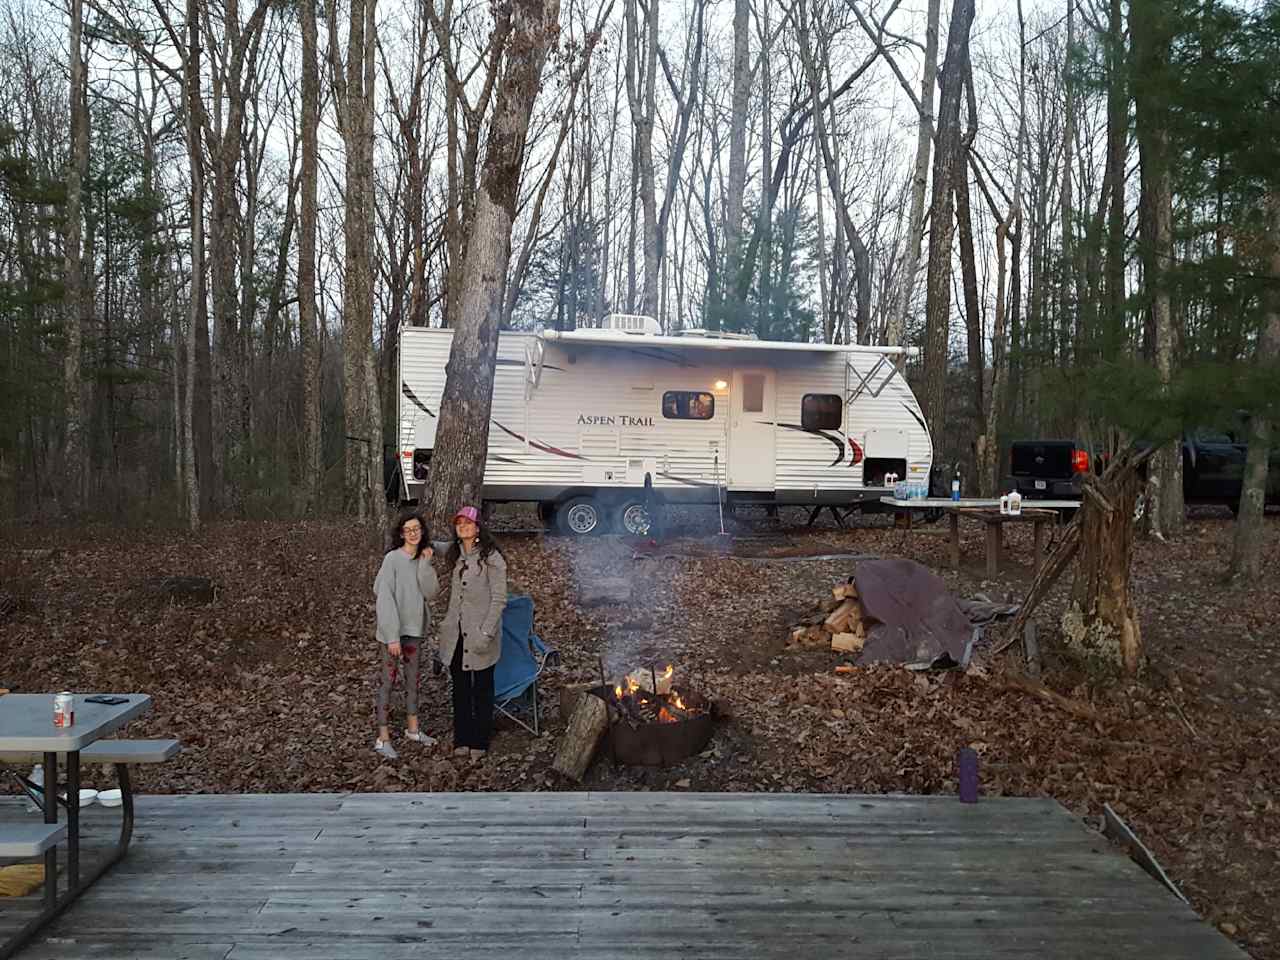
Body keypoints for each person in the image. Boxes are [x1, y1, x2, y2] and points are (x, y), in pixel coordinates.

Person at [438, 505, 507, 760]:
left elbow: (499, 599)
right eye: (459, 524)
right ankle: (462, 738)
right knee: (460, 689)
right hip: (456, 635)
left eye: (468, 523)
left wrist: (486, 632)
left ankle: (480, 740)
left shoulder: (492, 558)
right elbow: (434, 545)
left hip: (481, 634)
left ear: (478, 528)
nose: (463, 527)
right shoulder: (456, 555)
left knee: (482, 689)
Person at [372, 510, 439, 759]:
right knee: (388, 683)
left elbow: (431, 592)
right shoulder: (392, 559)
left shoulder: (423, 558)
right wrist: (391, 636)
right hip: (393, 633)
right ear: (401, 533)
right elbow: (383, 596)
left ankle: (413, 730)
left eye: (417, 529)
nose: (413, 533)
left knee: (413, 682)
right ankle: (383, 738)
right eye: (408, 529)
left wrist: (426, 563)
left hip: (415, 631)